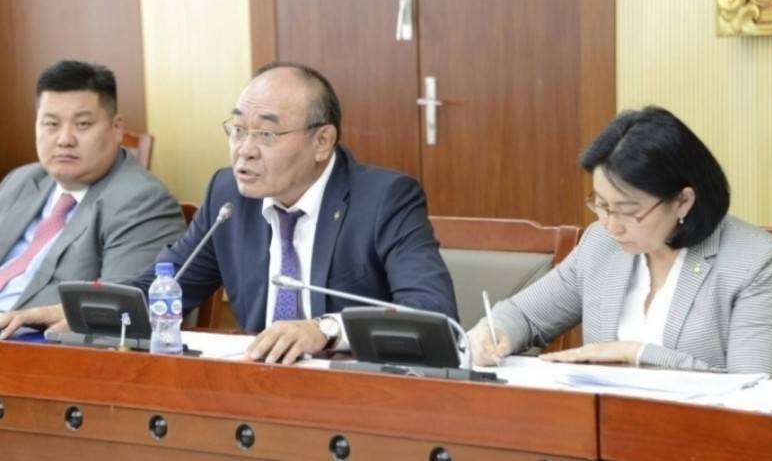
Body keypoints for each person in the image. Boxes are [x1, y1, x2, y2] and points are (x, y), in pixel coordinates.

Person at [1, 62, 457, 361]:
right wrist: (80, 309)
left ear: (322, 142)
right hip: (255, 387)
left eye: (266, 135)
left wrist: (326, 330)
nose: (244, 150)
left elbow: (433, 312)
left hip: (355, 394)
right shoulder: (229, 195)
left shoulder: (385, 199)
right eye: (237, 130)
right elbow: (166, 285)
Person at [470, 106, 772, 378]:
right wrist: (495, 332)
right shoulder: (600, 244)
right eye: (601, 204)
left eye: (628, 211)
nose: (611, 225)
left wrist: (636, 353)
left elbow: (756, 389)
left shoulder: (759, 264)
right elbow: (524, 315)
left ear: (683, 201)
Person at [0, 60, 185, 323]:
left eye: (83, 124)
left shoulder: (142, 202)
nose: (64, 139)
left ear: (117, 128)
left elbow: (121, 312)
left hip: (30, 340)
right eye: (51, 124)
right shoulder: (21, 181)